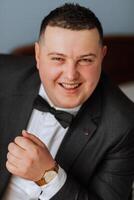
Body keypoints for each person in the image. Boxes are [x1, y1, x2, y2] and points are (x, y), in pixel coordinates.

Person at [0, 3, 134, 200]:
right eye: (57, 59)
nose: (71, 75)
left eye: (86, 60)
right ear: (38, 55)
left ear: (102, 56)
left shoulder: (124, 125)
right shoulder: (4, 75)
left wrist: (47, 176)